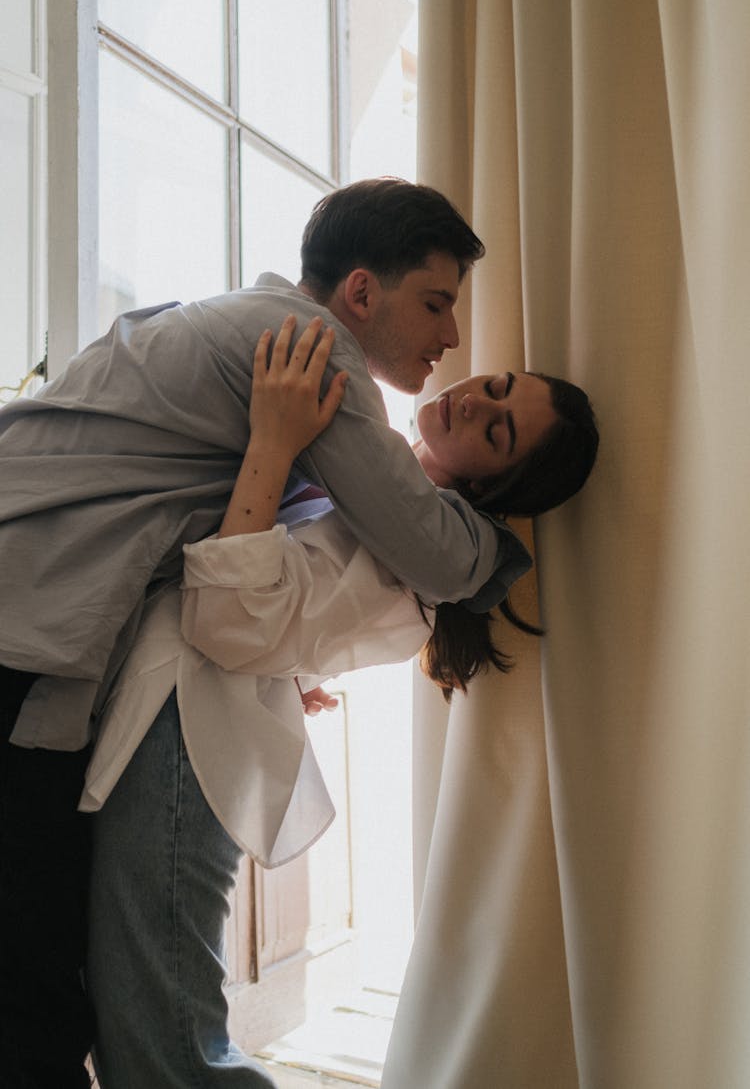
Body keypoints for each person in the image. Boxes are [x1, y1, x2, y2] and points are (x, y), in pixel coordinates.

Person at [0, 178, 534, 1088]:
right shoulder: (309, 348)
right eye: (437, 303)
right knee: (43, 985)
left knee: (48, 977)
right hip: (26, 632)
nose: (450, 340)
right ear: (363, 292)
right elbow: (438, 556)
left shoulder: (243, 317)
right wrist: (510, 549)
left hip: (41, 627)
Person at [84, 317, 599, 1087]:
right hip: (168, 725)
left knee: (167, 1051)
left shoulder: (422, 564)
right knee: (146, 1028)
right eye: (496, 388)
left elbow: (228, 620)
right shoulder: (369, 481)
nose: (473, 403)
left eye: (497, 432)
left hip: (184, 752)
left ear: (490, 486)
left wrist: (272, 440)